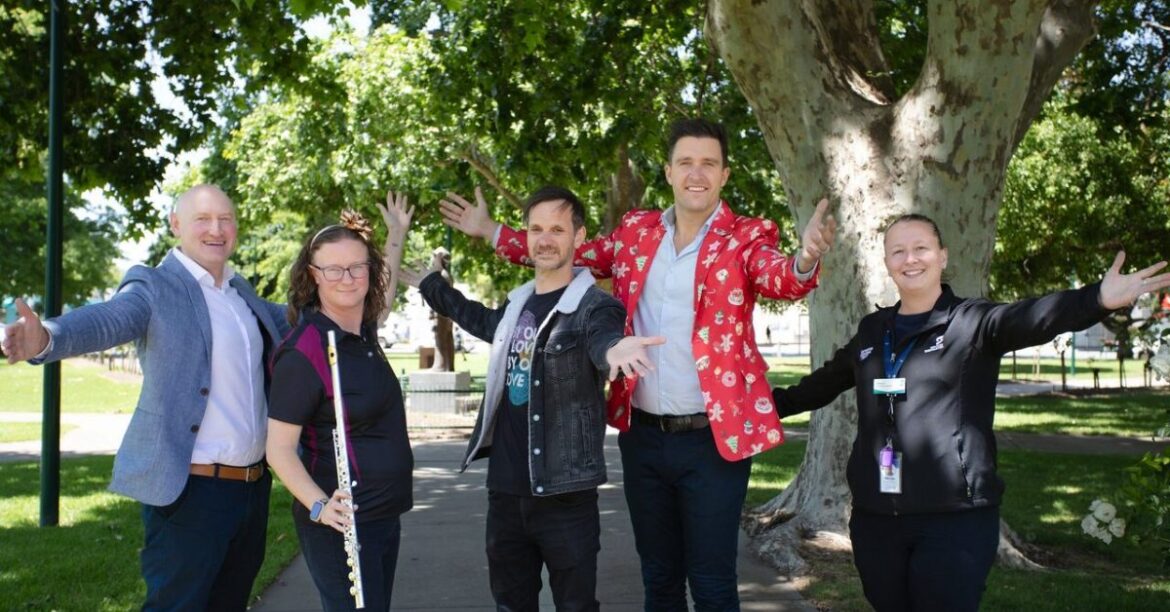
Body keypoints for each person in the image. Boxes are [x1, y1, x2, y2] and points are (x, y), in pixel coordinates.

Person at [439, 118, 838, 610]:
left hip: (715, 440)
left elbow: (781, 276)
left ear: (725, 175)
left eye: (708, 163)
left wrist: (805, 258)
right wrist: (489, 229)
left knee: (712, 581)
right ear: (669, 171)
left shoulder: (745, 237)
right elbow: (565, 251)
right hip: (644, 438)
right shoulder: (636, 231)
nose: (697, 173)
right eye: (686, 162)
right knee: (660, 577)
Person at [770, 213, 1170, 612]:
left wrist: (1097, 298)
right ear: (888, 261)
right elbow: (823, 384)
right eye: (898, 251)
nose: (911, 259)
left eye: (921, 248)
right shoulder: (874, 330)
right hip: (876, 517)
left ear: (942, 256)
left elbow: (1034, 317)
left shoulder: (973, 322)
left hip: (953, 519)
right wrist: (759, 407)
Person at [1, 184, 290, 611]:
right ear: (176, 225)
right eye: (202, 219)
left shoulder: (241, 294)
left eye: (225, 219)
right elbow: (108, 319)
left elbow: (312, 317)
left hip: (251, 490)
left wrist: (375, 264)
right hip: (190, 492)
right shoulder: (153, 285)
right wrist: (47, 336)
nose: (216, 229)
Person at [409, 185, 664, 611]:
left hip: (565, 494)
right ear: (526, 236)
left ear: (578, 238)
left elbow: (603, 338)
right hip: (506, 491)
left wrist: (614, 350)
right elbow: (477, 318)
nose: (545, 239)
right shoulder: (517, 305)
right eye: (536, 229)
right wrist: (432, 286)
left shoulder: (595, 308)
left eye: (557, 230)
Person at [265, 195, 414, 612]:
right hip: (341, 525)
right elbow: (277, 449)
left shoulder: (362, 331)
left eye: (357, 266)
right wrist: (318, 506)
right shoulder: (306, 351)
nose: (347, 278)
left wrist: (397, 234)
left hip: (383, 515)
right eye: (333, 269)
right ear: (313, 276)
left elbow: (382, 294)